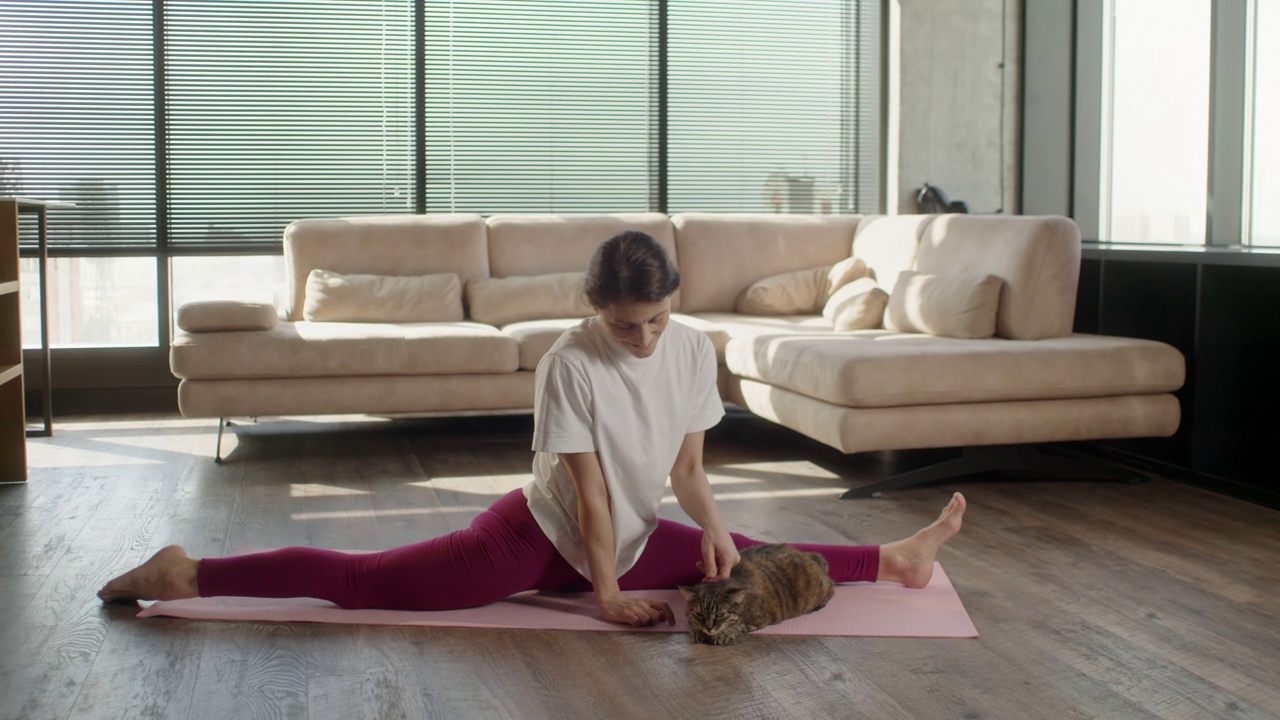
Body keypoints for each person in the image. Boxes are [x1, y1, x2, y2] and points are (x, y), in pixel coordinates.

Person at [99, 230, 966, 628]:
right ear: (597, 309)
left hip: (627, 536)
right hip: (536, 535)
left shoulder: (693, 348)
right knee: (366, 584)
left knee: (751, 547)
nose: (644, 339)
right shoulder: (569, 361)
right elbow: (587, 495)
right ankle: (190, 572)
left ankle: (898, 559)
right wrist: (607, 598)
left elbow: (692, 472)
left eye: (656, 320)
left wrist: (707, 531)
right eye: (626, 325)